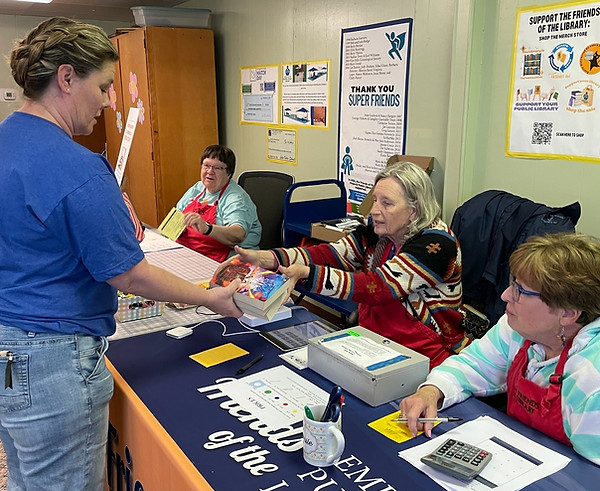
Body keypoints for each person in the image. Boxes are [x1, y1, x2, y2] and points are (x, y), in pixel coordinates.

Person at [0, 17, 242, 490]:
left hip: (9, 351)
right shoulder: (78, 169)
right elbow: (130, 275)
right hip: (53, 358)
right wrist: (210, 298)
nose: (110, 101)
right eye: (105, 86)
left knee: (28, 475)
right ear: (67, 78)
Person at [223, 161, 470, 367]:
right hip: (373, 345)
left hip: (425, 360)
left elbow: (380, 286)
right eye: (375, 200)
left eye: (387, 203)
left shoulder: (437, 244)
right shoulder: (377, 232)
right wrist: (266, 258)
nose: (374, 210)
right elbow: (331, 254)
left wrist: (308, 275)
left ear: (414, 210)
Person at [399, 233, 600, 465]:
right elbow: (471, 366)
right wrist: (431, 391)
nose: (505, 295)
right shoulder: (518, 329)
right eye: (513, 283)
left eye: (520, 290)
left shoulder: (591, 379)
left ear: (567, 313)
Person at [175, 144, 262, 262]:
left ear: (229, 173)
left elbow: (238, 234)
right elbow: (175, 219)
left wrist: (207, 228)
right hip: (191, 252)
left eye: (217, 168)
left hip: (225, 258)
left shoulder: (235, 198)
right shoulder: (198, 188)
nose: (210, 171)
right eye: (206, 165)